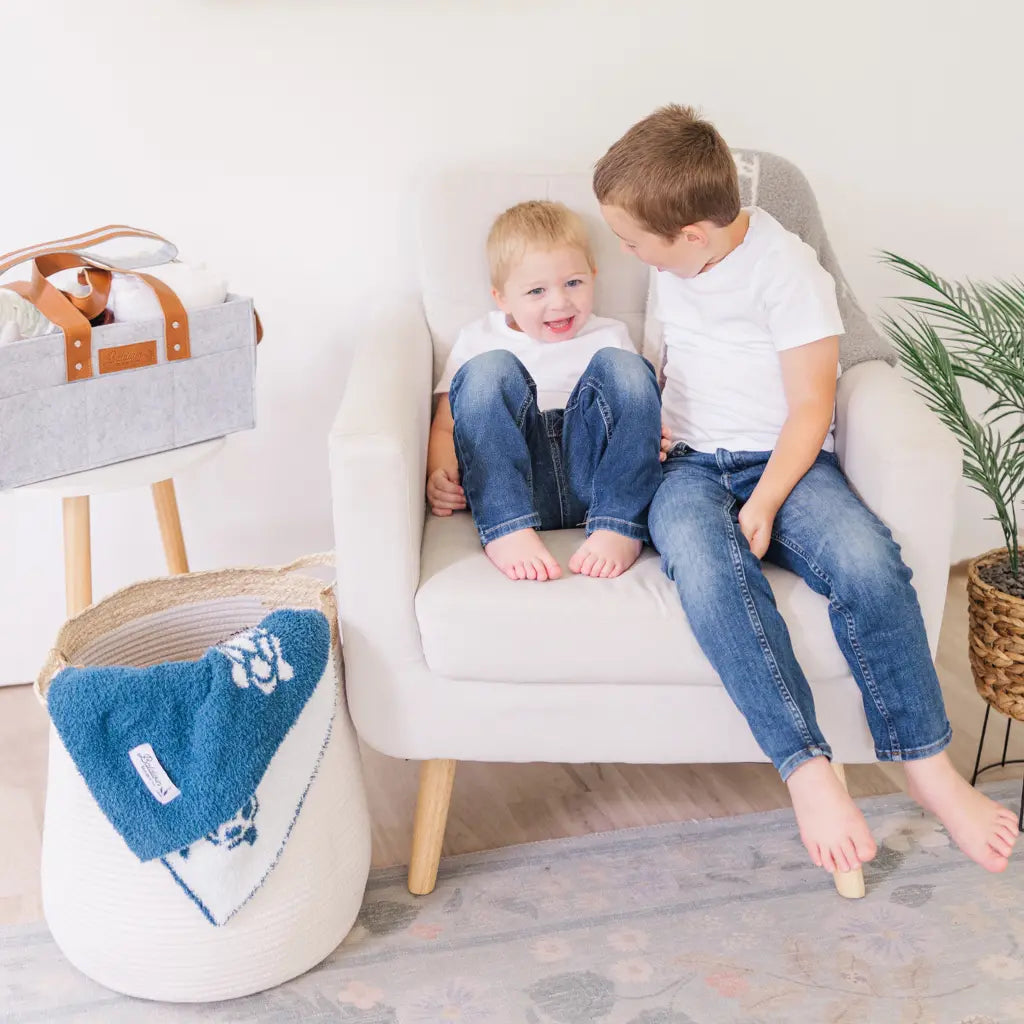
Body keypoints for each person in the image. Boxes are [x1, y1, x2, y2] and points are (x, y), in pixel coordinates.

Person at [594, 103, 1019, 874]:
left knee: (868, 563)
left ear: (694, 234)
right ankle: (808, 770)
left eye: (633, 243)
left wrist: (762, 504)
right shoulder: (678, 266)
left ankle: (929, 770)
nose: (627, 255)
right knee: (705, 564)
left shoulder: (787, 270)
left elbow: (813, 408)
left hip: (786, 462)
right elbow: (680, 357)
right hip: (687, 465)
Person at [426, 199, 663, 582]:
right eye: (536, 291)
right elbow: (446, 426)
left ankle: (619, 523)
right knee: (488, 370)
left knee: (629, 371)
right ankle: (507, 528)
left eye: (573, 282)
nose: (560, 302)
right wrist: (439, 473)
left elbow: (634, 412)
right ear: (501, 297)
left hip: (594, 478)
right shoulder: (478, 337)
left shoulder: (610, 335)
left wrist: (649, 432)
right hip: (518, 478)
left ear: (593, 275)